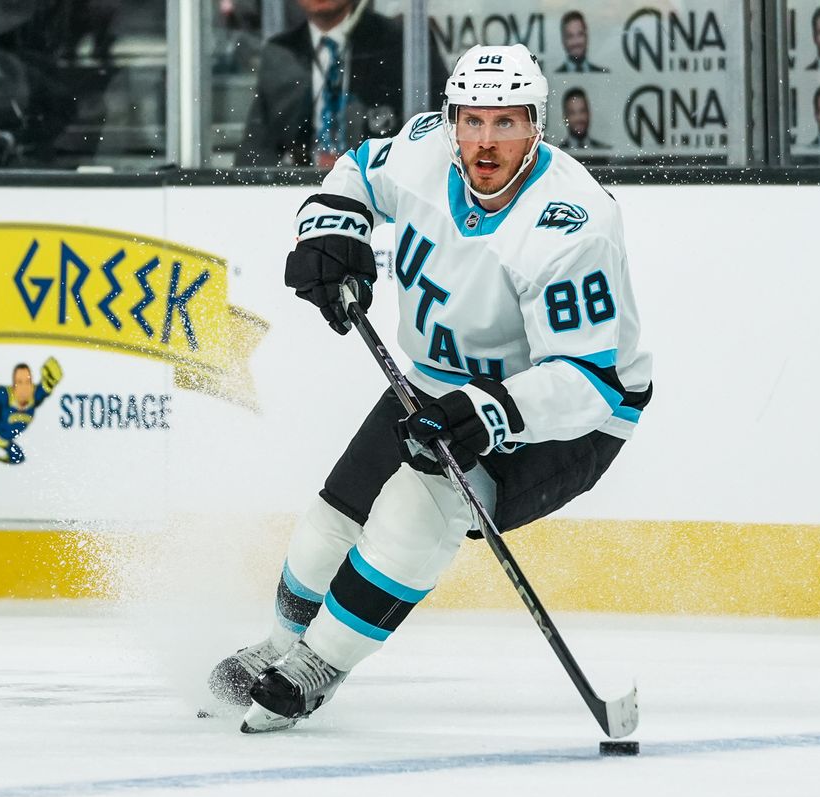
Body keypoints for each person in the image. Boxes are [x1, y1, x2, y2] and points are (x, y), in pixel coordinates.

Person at [210, 43, 652, 733]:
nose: (485, 141)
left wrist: (491, 410)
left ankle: (316, 666)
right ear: (450, 121)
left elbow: (589, 380)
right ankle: (278, 644)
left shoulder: (572, 225)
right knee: (334, 517)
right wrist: (334, 229)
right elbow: (359, 171)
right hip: (435, 380)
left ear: (537, 127)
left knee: (419, 508)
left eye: (505, 123)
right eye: (471, 120)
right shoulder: (423, 149)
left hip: (567, 415)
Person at [235, 0, 448, 168]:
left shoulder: (401, 43)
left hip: (380, 189)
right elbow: (255, 153)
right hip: (301, 190)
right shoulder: (280, 53)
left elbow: (439, 129)